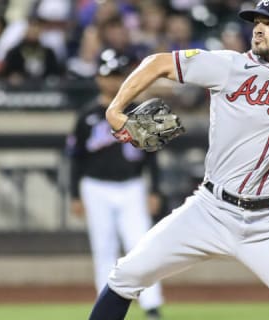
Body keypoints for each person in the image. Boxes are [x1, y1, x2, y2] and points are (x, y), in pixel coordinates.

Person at [91, 0, 269, 319]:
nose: (259, 28)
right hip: (210, 211)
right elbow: (157, 62)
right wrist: (115, 108)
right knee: (124, 278)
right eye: (256, 22)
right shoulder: (229, 66)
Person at [66, 48, 165, 320]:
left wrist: (154, 188)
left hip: (132, 185)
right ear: (98, 76)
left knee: (143, 246)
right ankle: (105, 308)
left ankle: (152, 305)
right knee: (104, 248)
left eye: (118, 74)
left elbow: (153, 157)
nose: (112, 80)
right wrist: (74, 194)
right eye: (108, 74)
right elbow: (75, 159)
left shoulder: (141, 111)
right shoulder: (87, 114)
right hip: (95, 186)